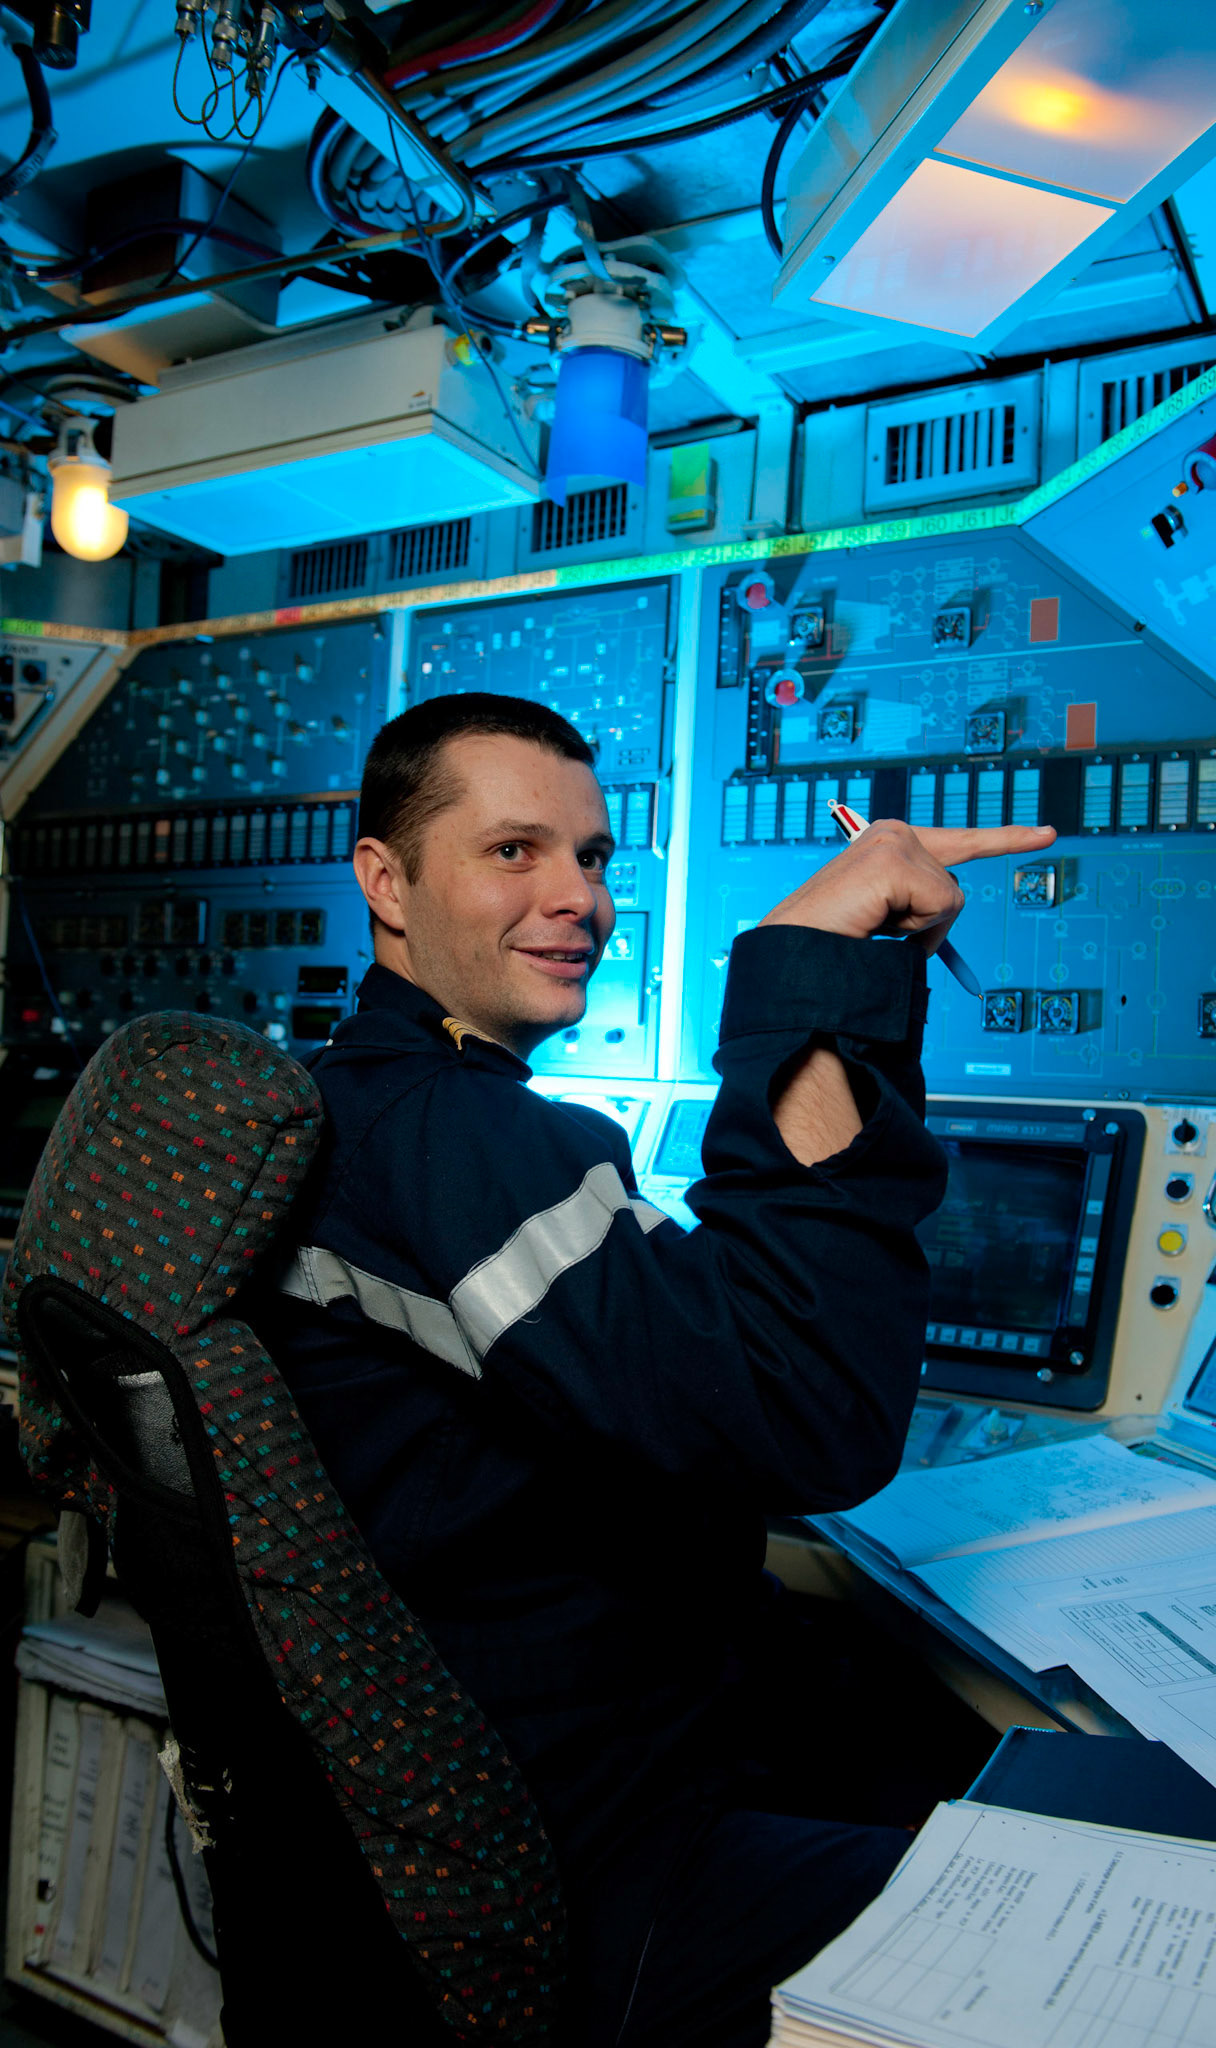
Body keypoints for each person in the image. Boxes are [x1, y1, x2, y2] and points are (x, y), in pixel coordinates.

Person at [258, 690, 1056, 2045]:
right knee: (1078, 1916)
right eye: (514, 852)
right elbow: (805, 1415)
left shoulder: (370, 1111)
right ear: (385, 883)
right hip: (596, 1861)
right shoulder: (453, 1139)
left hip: (480, 1811)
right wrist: (801, 961)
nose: (575, 896)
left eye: (592, 856)